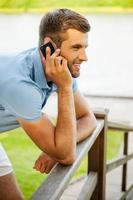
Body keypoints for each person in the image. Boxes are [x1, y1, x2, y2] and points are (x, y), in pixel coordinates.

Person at [0, 8, 97, 200]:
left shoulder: (61, 69)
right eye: (76, 48)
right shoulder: (20, 84)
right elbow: (66, 154)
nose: (85, 57)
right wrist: (65, 88)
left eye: (85, 48)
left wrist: (58, 146)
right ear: (49, 47)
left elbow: (88, 118)